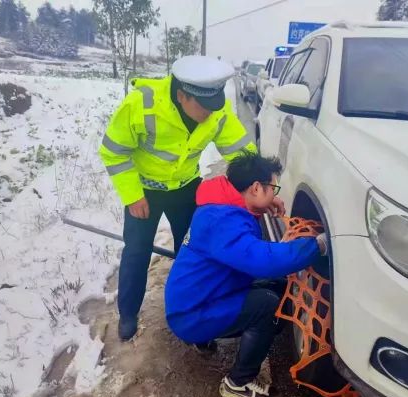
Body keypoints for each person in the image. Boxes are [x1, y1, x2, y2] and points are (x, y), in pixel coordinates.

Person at [98, 56, 283, 341]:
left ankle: (197, 312)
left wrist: (264, 192)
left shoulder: (215, 111)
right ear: (182, 95)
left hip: (185, 187)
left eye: (215, 107)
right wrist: (133, 195)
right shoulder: (141, 105)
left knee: (193, 248)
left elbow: (243, 155)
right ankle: (129, 312)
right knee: (137, 251)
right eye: (204, 108)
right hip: (144, 190)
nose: (211, 114)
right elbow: (113, 151)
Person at [164, 151, 326, 397]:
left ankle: (204, 337)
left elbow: (244, 247)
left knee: (276, 287)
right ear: (255, 187)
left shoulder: (220, 205)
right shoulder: (223, 222)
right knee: (267, 305)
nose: (275, 193)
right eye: (273, 188)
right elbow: (264, 260)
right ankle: (238, 382)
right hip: (191, 314)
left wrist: (260, 208)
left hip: (194, 298)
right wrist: (316, 246)